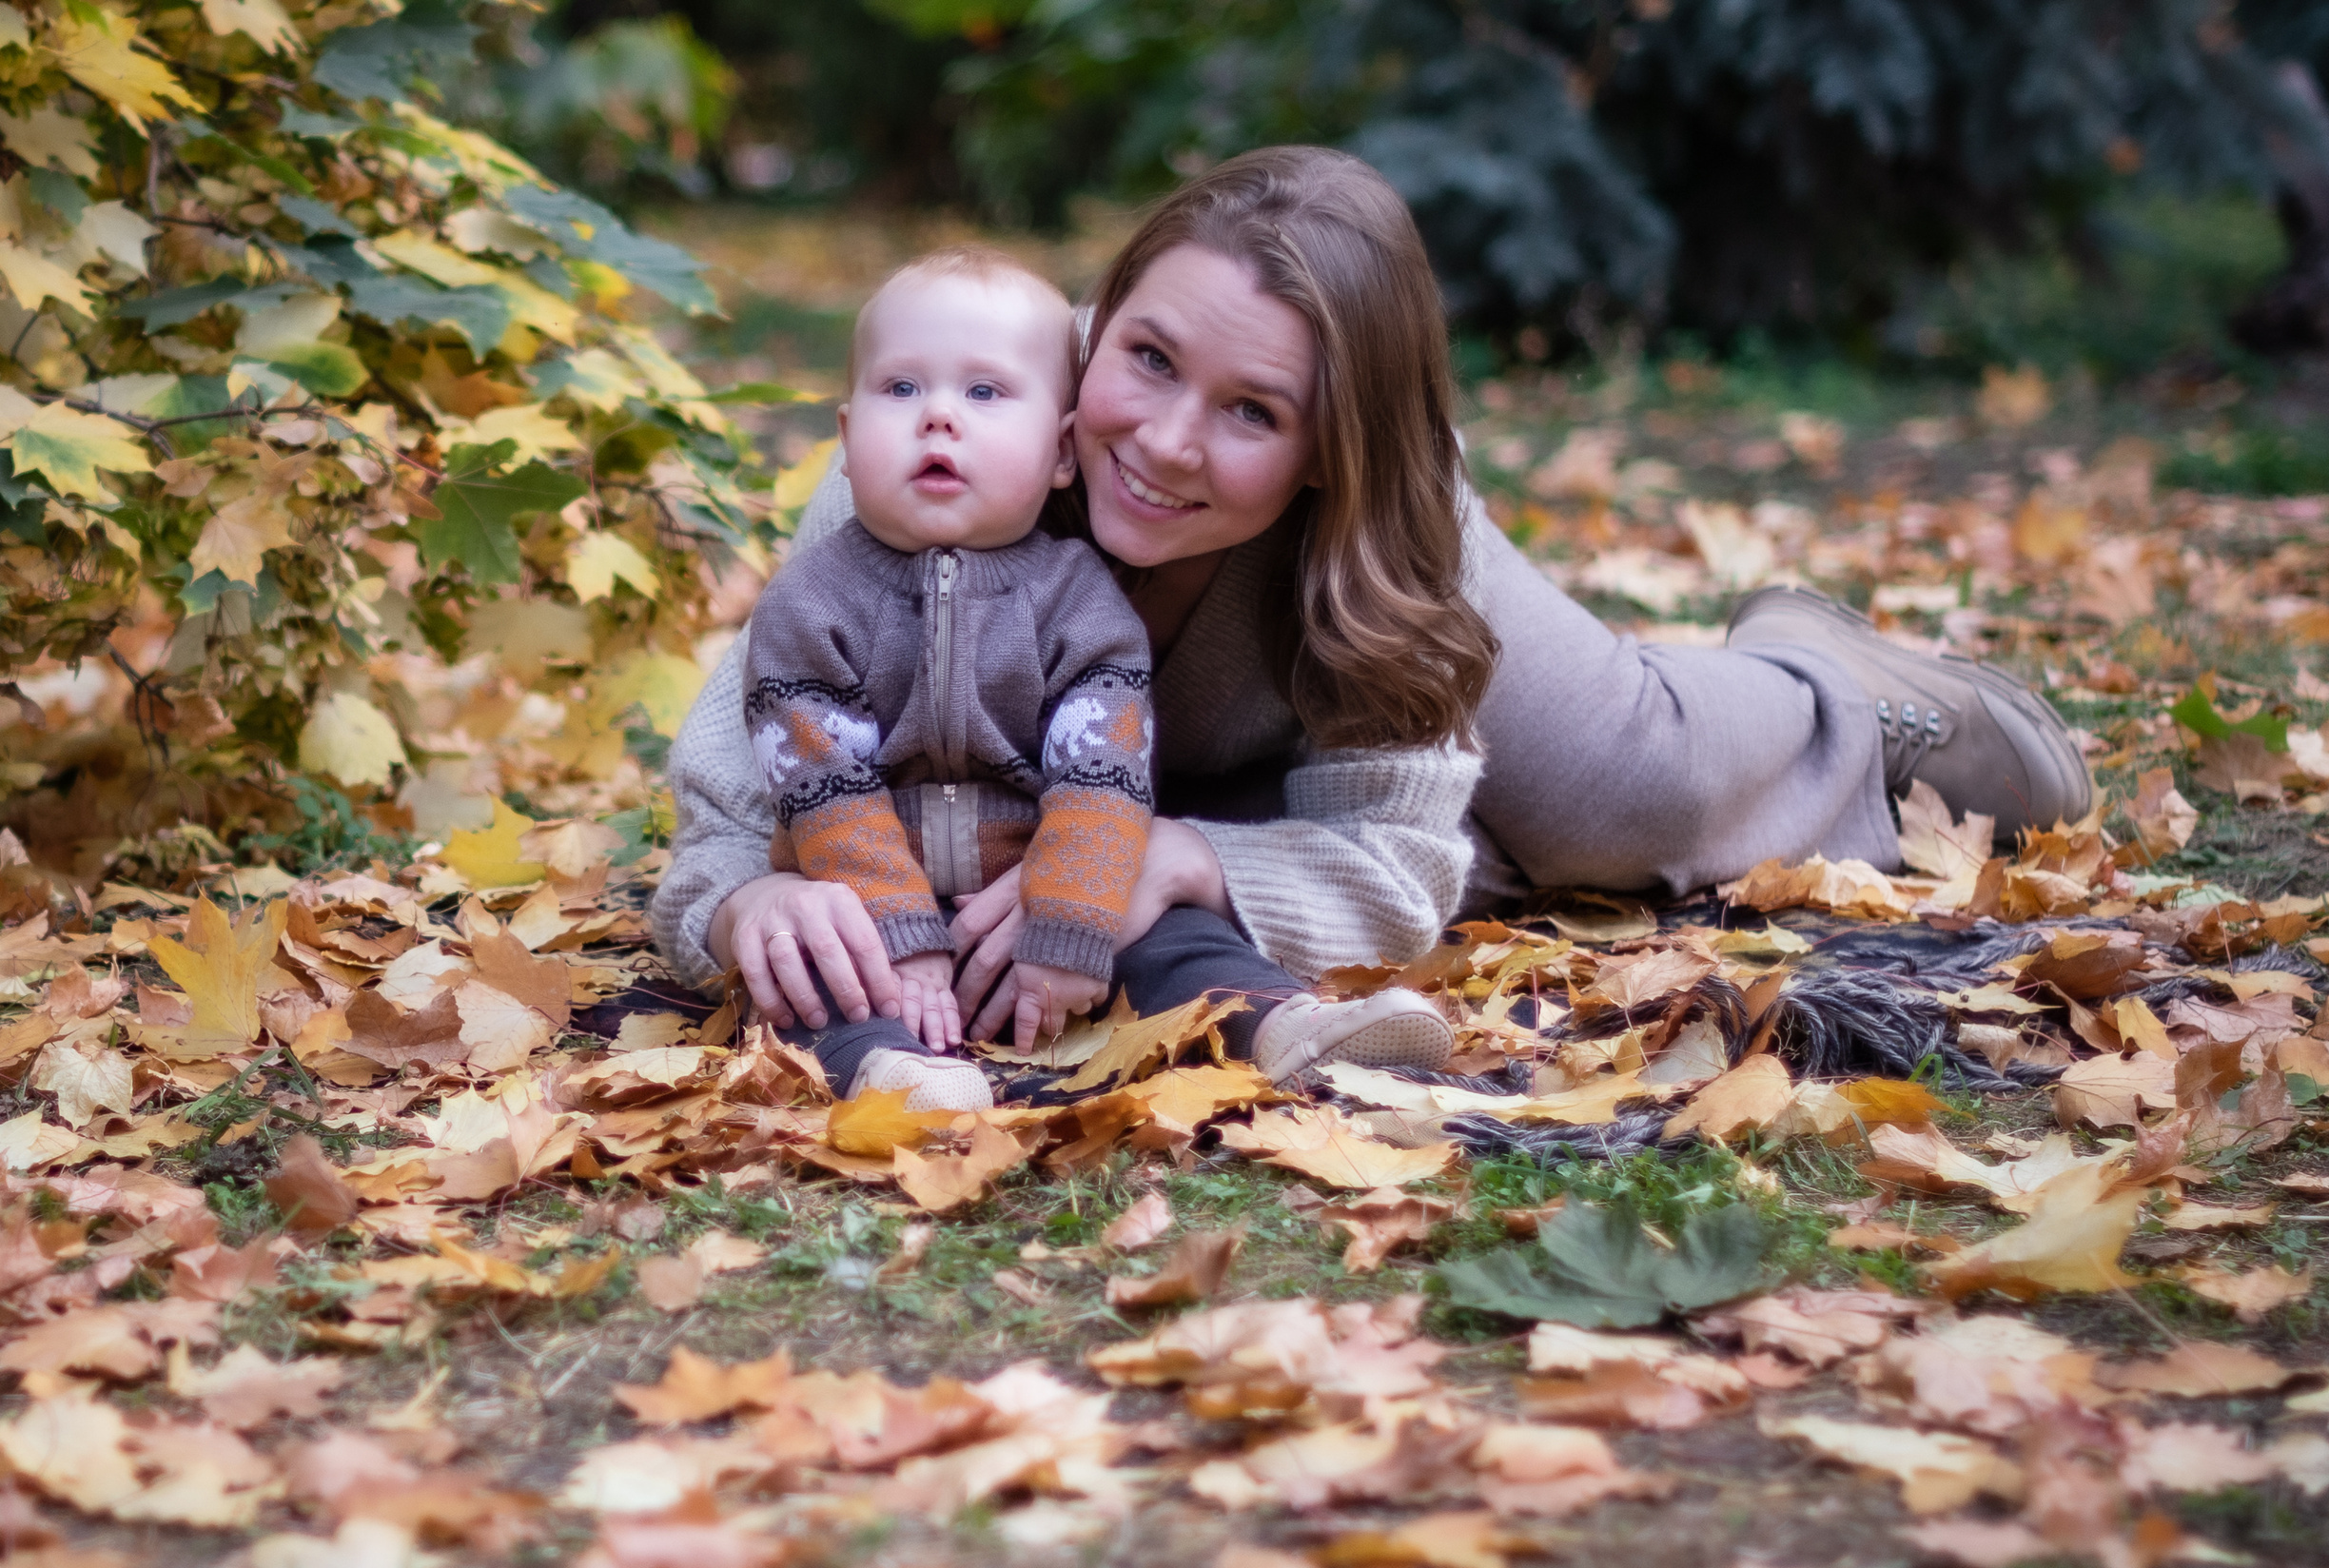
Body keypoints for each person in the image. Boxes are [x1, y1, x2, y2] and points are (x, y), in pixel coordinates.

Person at [653, 147, 2089, 1082]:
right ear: (1100, 324)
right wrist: (751, 896)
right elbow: (739, 792)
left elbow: (1401, 867)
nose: (1160, 440)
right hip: (1108, 785)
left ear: (1328, 440)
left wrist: (1186, 856)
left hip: (1358, 589)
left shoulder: (1375, 530)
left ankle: (1831, 681)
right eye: (1143, 357)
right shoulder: (957, 442)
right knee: (1478, 854)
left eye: (1252, 409)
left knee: (1623, 799)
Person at [732, 248, 1153, 1111]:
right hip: (862, 896)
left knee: (1168, 927)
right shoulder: (812, 601)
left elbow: (1104, 773)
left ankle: (1268, 1013)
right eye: (901, 389)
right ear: (846, 444)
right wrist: (898, 929)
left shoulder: (1080, 600)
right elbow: (824, 786)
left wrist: (1070, 918)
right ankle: (888, 1065)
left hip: (1025, 899)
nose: (939, 420)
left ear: (1063, 452)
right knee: (813, 967)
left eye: (986, 392)